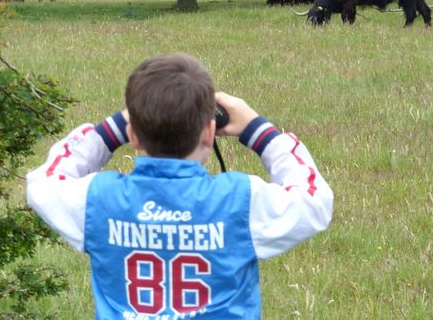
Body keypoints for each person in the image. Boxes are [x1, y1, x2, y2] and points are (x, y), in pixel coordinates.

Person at [27, 53, 333, 319]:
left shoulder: (99, 201)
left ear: (133, 135)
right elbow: (314, 201)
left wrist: (112, 130)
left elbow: (44, 183)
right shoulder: (237, 202)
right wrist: (259, 131)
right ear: (210, 132)